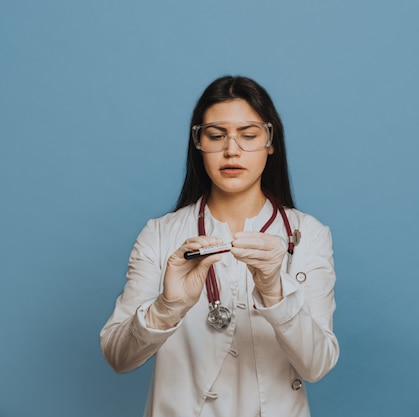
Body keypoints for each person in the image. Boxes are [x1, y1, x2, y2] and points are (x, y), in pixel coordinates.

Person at [100, 75, 339, 417]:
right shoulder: (160, 234)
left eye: (248, 135)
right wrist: (168, 306)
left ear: (271, 143)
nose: (231, 150)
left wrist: (275, 291)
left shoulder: (309, 234)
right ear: (198, 143)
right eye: (216, 135)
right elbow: (118, 357)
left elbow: (317, 365)